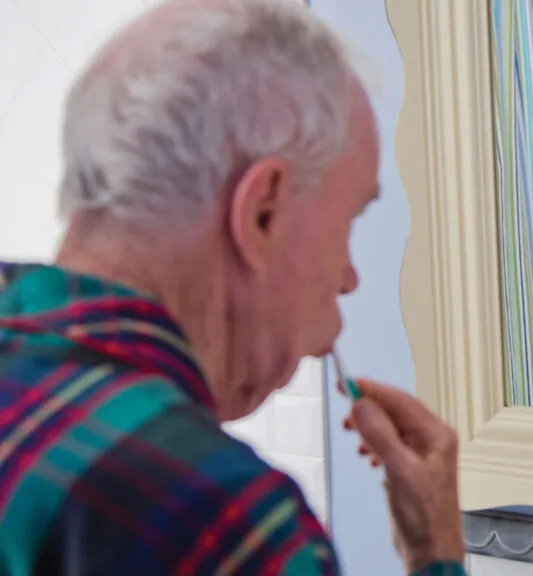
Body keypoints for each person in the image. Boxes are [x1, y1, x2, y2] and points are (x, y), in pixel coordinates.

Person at [0, 0, 466, 574]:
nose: (349, 279)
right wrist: (436, 556)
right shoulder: (219, 516)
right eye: (349, 222)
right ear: (263, 212)